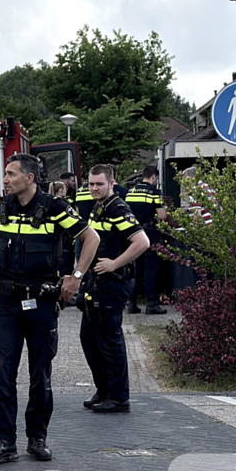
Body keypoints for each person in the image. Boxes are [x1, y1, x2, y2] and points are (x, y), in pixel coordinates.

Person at [0, 154, 99, 463]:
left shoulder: (55, 208)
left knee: (40, 373)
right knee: (3, 371)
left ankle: (37, 438)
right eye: (5, 174)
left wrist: (76, 277)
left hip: (42, 303)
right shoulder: (3, 208)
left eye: (11, 174)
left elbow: (91, 237)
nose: (5, 179)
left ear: (29, 178)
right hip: (5, 303)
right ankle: (3, 442)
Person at [79, 164, 150, 413]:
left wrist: (114, 264)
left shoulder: (118, 208)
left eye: (100, 184)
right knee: (89, 339)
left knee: (110, 341)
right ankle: (105, 389)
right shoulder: (99, 208)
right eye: (91, 184)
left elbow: (142, 242)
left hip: (113, 283)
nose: (95, 188)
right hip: (96, 283)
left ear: (112, 183)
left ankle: (119, 397)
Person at [126, 165, 169, 315]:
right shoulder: (154, 193)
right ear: (153, 177)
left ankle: (132, 302)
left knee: (137, 268)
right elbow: (162, 216)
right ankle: (151, 304)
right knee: (151, 268)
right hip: (150, 233)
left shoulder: (131, 192)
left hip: (134, 233)